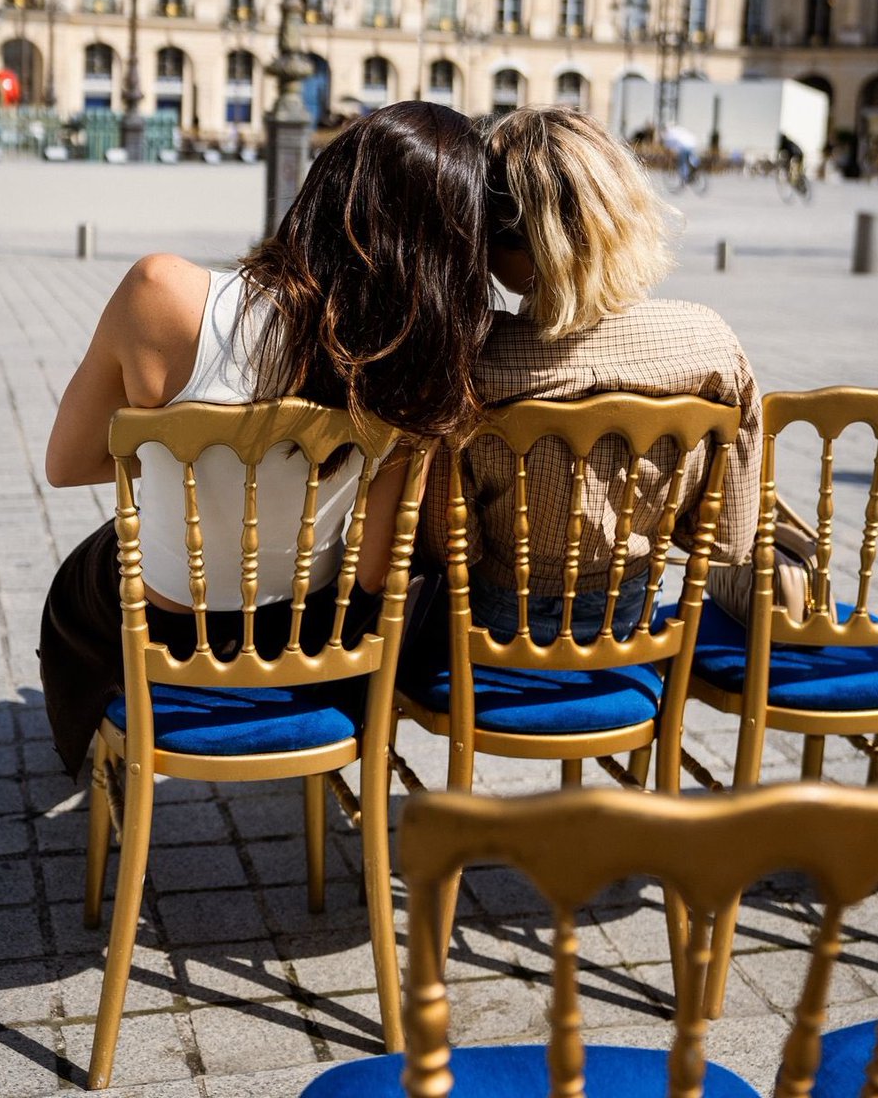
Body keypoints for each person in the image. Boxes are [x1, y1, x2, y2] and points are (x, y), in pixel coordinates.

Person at [40, 101, 492, 779]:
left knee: (83, 580)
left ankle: (86, 742)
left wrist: (184, 457)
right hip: (304, 630)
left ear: (327, 187)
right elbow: (372, 574)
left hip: (170, 621)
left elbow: (67, 464)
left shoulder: (161, 293)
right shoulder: (422, 369)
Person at [415, 105, 761, 646]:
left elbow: (446, 541)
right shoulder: (711, 345)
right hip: (631, 629)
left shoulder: (469, 362)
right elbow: (728, 542)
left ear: (518, 243)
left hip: (496, 637)